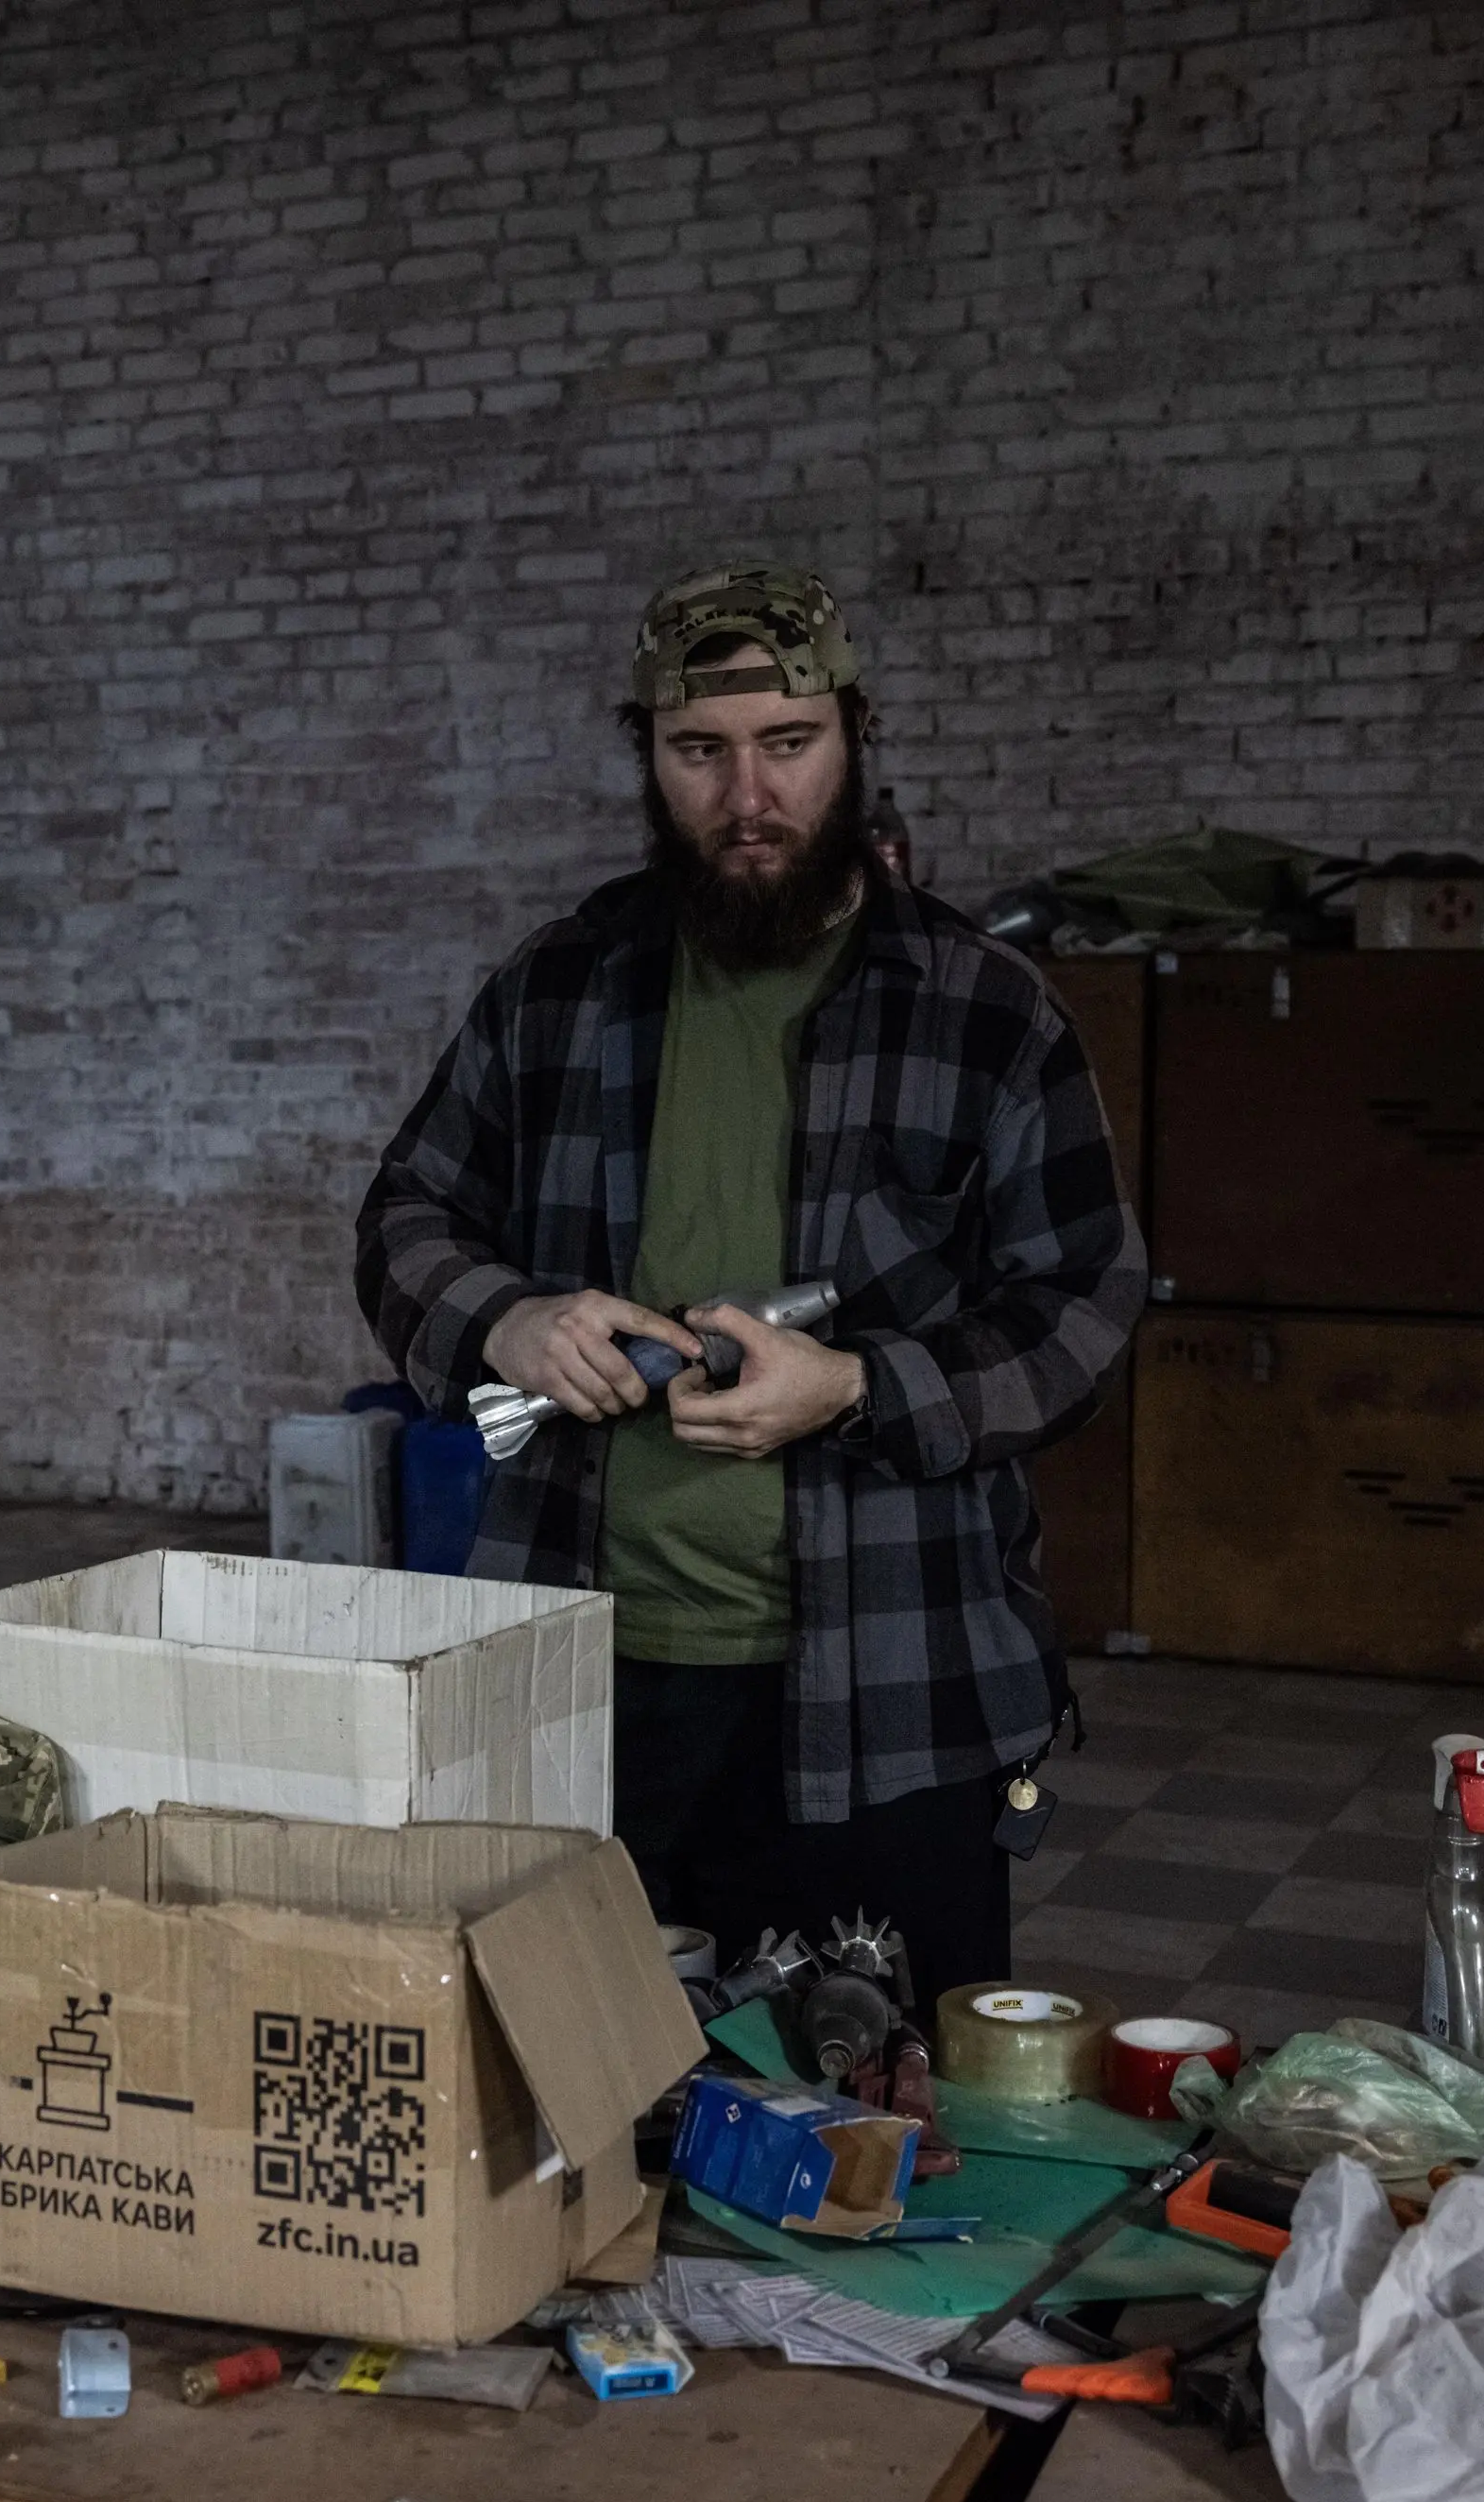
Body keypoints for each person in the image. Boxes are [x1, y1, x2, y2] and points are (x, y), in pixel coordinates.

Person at [354, 561, 1144, 2002]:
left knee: (890, 2105)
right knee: (588, 2096)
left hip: (896, 1687)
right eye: (699, 754)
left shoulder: (983, 1010)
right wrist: (508, 1319)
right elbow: (407, 1214)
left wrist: (858, 1386)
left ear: (855, 737)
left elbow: (1085, 1311)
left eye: (789, 746)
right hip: (589, 1677)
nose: (748, 797)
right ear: (647, 759)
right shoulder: (561, 987)